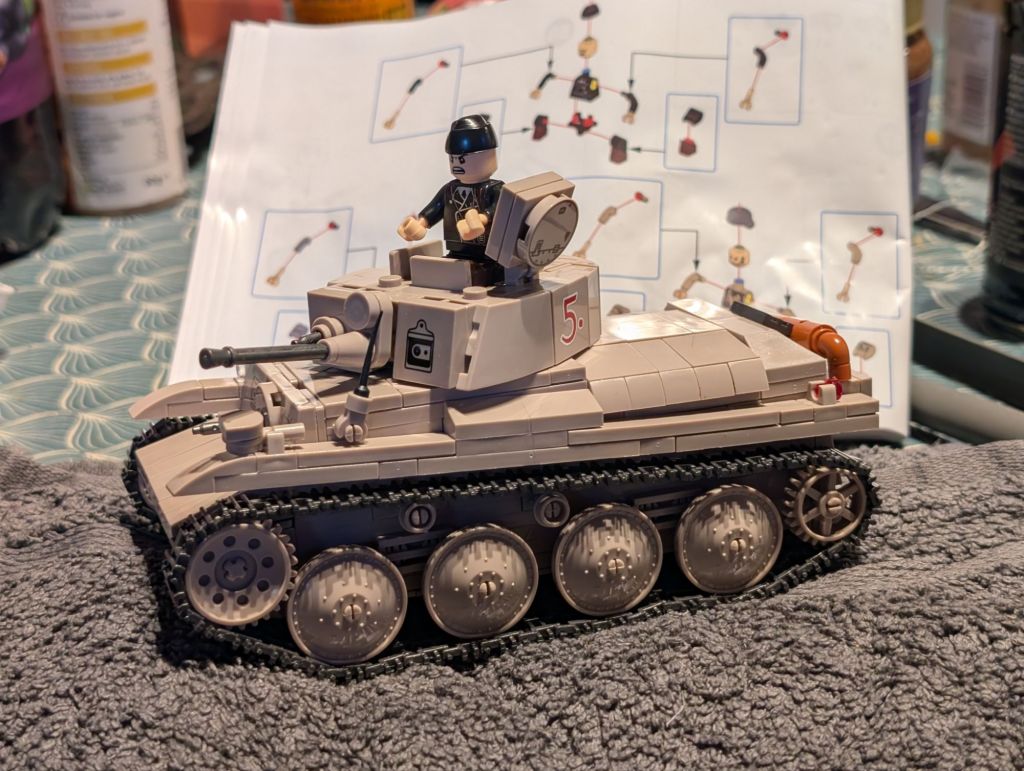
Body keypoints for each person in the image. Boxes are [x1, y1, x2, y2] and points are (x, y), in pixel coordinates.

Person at [397, 114, 504, 269]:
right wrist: (421, 224)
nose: (457, 164)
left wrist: (482, 218)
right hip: (456, 251)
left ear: (490, 155)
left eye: (462, 159)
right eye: (453, 159)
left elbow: (500, 209)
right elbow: (436, 207)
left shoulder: (494, 189)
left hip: (487, 254)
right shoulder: (450, 189)